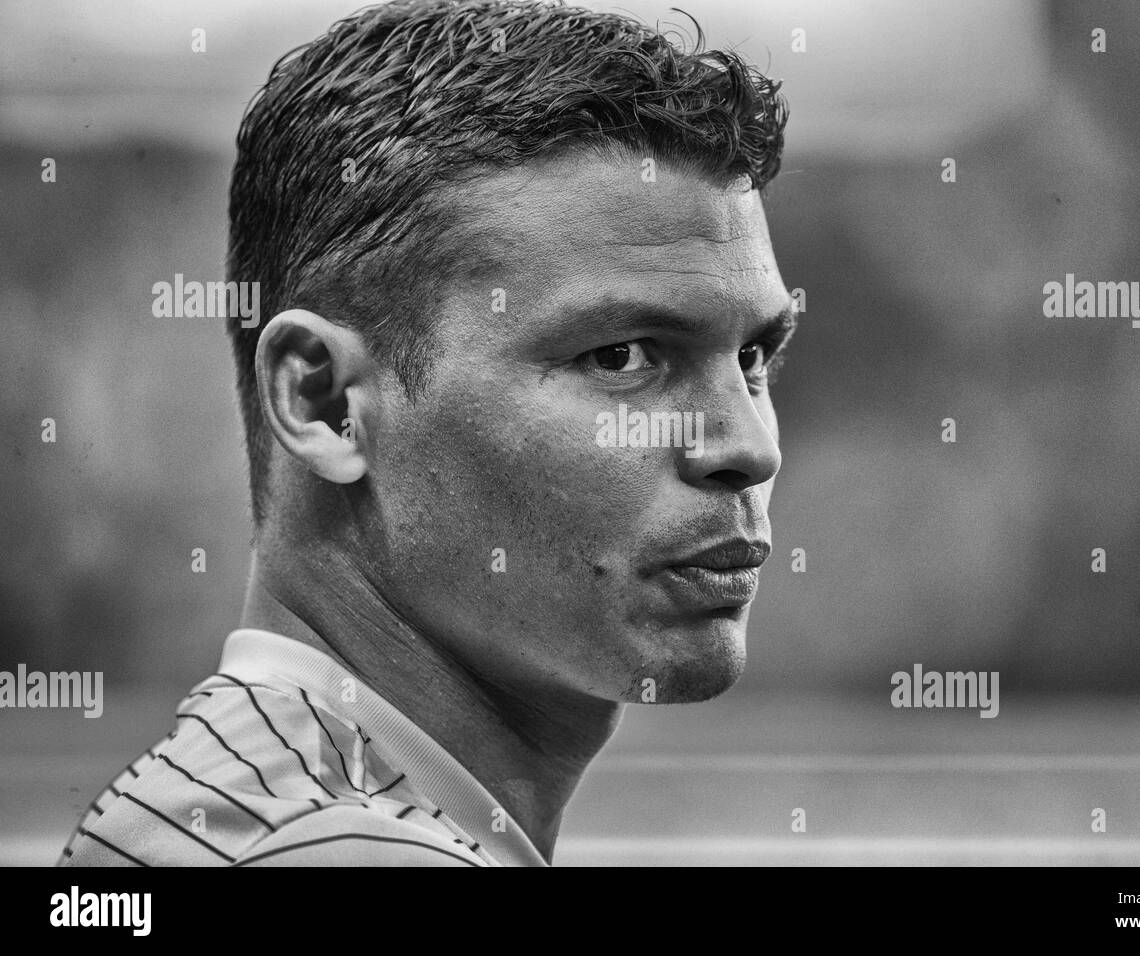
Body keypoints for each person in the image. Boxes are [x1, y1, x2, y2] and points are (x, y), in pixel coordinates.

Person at [60, 0, 795, 867]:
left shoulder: (235, 803)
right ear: (324, 402)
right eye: (621, 355)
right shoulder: (332, 849)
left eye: (753, 354)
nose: (750, 447)